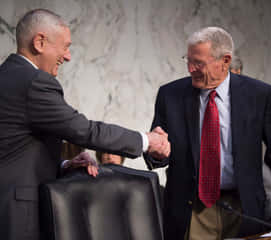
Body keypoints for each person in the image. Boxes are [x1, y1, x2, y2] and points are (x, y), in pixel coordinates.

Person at [0, 9, 170, 240]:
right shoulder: (34, 82)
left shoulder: (7, 76)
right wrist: (147, 140)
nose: (68, 56)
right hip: (18, 216)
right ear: (39, 42)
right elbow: (83, 130)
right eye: (65, 46)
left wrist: (64, 164)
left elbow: (13, 150)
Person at [144, 26, 271, 239]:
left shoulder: (258, 94)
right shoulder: (170, 95)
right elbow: (158, 150)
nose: (190, 68)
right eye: (187, 60)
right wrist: (156, 152)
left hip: (244, 208)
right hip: (192, 209)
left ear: (225, 61)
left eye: (198, 62)